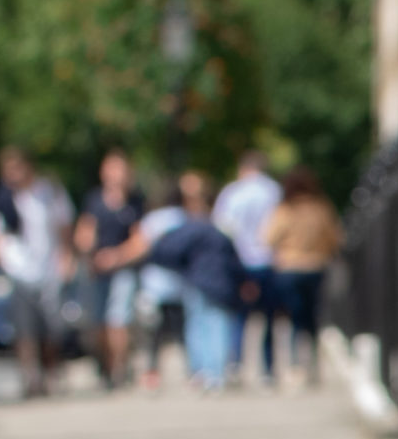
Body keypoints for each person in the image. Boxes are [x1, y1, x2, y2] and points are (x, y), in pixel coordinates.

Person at [137, 171, 254, 392]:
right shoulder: (218, 227)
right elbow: (234, 259)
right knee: (212, 327)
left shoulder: (190, 228)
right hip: (214, 284)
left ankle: (205, 372)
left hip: (199, 283)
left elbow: (161, 251)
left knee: (200, 327)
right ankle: (214, 374)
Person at [0, 146, 74, 398]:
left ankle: (50, 373)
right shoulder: (2, 198)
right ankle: (30, 378)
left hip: (48, 268)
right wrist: (4, 260)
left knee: (52, 328)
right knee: (24, 329)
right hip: (19, 271)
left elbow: (64, 227)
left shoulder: (49, 193)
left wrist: (66, 257)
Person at [258, 166, 343, 389]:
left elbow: (268, 238)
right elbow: (335, 238)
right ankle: (313, 365)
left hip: (289, 268)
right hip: (316, 267)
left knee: (293, 319)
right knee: (312, 318)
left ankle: (296, 366)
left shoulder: (285, 210)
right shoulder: (321, 208)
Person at [74, 149, 146, 388]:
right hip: (97, 269)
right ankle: (104, 366)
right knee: (97, 323)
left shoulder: (136, 201)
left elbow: (140, 240)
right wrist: (87, 250)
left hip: (122, 268)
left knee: (119, 320)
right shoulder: (95, 200)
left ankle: (119, 369)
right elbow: (84, 231)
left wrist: (116, 256)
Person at [210, 148, 281, 385]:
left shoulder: (233, 192)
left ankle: (235, 365)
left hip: (239, 261)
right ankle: (268, 369)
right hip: (267, 260)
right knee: (269, 318)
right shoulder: (274, 191)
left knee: (239, 316)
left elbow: (222, 229)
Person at [128, 186, 191, 392]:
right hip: (180, 285)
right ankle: (191, 372)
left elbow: (139, 247)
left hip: (154, 285)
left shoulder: (151, 220)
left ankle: (152, 374)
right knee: (182, 332)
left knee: (154, 335)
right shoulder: (186, 218)